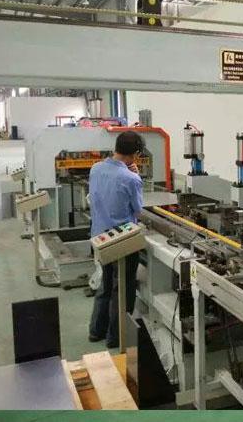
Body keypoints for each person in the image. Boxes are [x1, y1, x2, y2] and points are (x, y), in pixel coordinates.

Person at [88, 130, 144, 348]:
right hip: (122, 240)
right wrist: (137, 177)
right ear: (135, 154)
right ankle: (116, 337)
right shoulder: (131, 179)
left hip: (100, 238)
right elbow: (138, 211)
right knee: (122, 289)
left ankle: (96, 331)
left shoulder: (95, 169)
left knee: (105, 284)